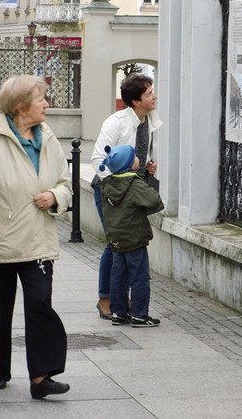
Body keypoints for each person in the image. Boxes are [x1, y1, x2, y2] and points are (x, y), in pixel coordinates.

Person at [0, 75, 72, 399]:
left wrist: (54, 195)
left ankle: (41, 377)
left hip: (38, 242)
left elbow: (65, 182)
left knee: (40, 306)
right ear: (21, 106)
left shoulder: (47, 137)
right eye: (41, 99)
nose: (47, 104)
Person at [91, 73, 162, 319]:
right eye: (149, 94)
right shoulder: (116, 122)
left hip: (133, 193)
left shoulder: (149, 120)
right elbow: (98, 161)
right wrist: (120, 181)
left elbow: (140, 155)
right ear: (135, 101)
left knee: (126, 245)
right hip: (110, 194)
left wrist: (147, 167)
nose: (155, 97)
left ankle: (122, 302)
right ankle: (106, 299)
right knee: (115, 244)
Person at [98, 145, 164, 326]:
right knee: (139, 277)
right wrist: (148, 184)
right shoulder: (134, 184)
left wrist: (145, 178)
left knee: (118, 276)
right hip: (134, 238)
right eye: (134, 156)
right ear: (127, 164)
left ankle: (119, 313)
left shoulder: (108, 183)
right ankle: (139, 315)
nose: (138, 158)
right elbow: (154, 201)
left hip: (117, 238)